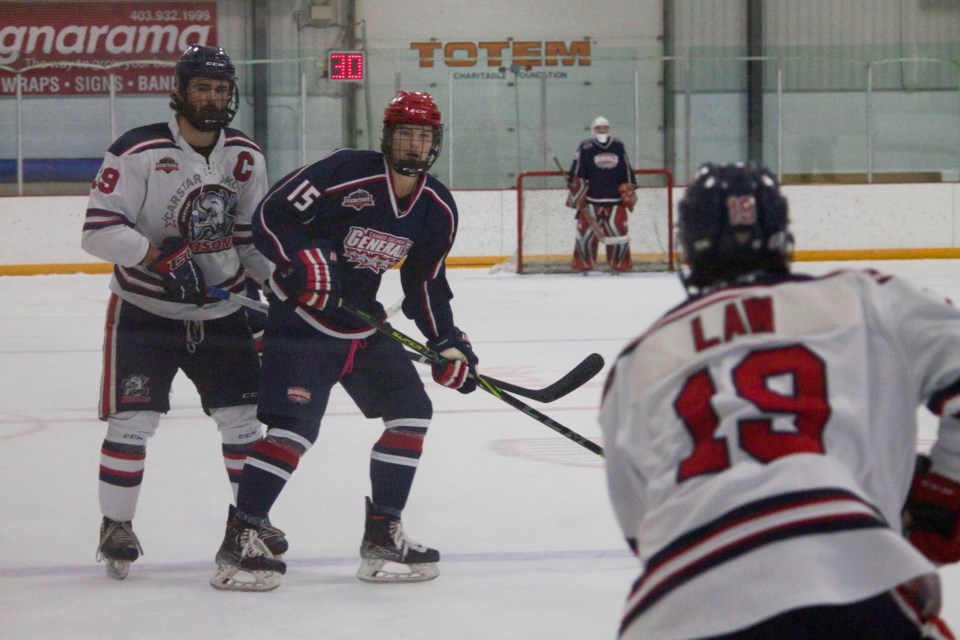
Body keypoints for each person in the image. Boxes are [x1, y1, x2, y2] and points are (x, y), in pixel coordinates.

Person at [598, 162, 958, 639]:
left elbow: (643, 529)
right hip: (845, 570)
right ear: (781, 235)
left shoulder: (636, 364)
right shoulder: (866, 298)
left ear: (689, 245)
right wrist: (948, 486)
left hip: (673, 608)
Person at [209, 90, 480, 592]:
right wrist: (304, 255)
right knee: (293, 432)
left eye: (423, 135)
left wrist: (448, 342)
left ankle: (383, 533)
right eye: (405, 133)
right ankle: (241, 537)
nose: (414, 144)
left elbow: (424, 284)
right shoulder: (345, 171)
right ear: (386, 136)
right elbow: (271, 215)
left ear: (435, 142)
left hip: (361, 327)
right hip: (304, 324)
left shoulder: (436, 207)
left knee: (411, 412)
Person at [81, 44, 282, 580]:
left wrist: (283, 282)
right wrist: (157, 256)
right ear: (180, 91)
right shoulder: (137, 150)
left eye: (221, 89)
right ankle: (116, 524)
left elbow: (249, 238)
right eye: (202, 88)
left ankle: (247, 524)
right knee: (134, 420)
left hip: (223, 313)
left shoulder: (245, 156)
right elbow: (97, 230)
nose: (213, 98)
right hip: (145, 309)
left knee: (242, 422)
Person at [565, 116, 638, 273]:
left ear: (608, 128)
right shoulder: (586, 147)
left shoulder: (618, 145)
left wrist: (629, 188)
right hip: (591, 200)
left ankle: (620, 265)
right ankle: (583, 265)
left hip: (616, 200)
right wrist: (574, 183)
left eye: (604, 127)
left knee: (619, 233)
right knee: (585, 233)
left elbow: (626, 168)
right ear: (593, 129)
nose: (602, 130)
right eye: (599, 128)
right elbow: (578, 169)